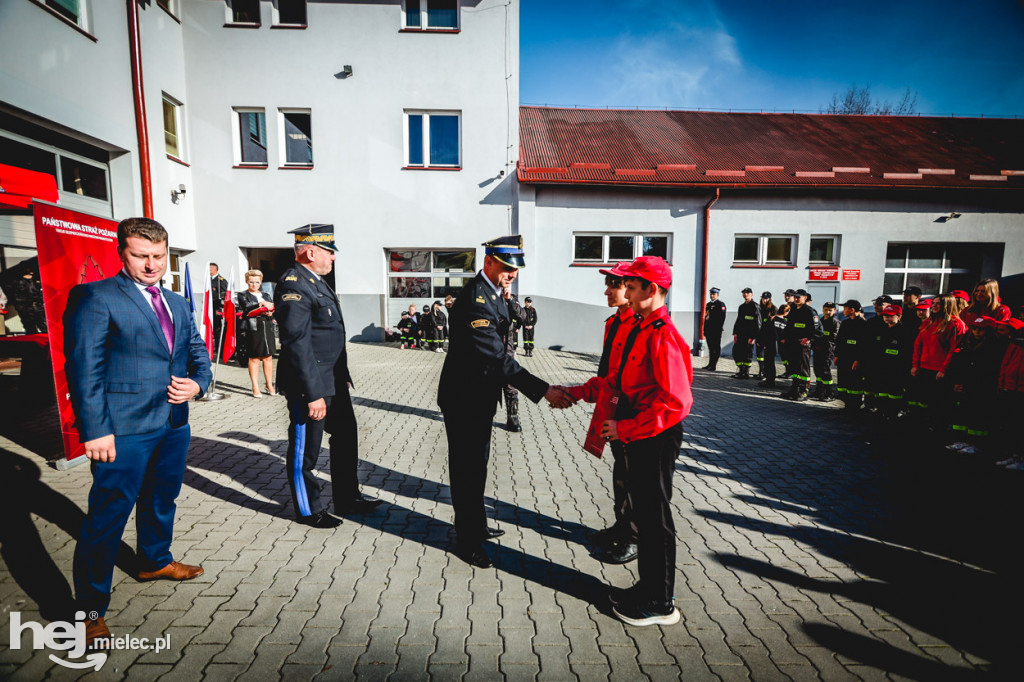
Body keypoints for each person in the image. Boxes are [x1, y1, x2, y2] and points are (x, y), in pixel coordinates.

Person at [63, 217, 212, 648]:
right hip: (121, 430)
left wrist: (198, 384)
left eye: (159, 256)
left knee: (162, 498)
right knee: (107, 517)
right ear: (121, 253)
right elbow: (83, 368)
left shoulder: (177, 302)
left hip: (172, 424)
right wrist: (95, 430)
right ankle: (90, 611)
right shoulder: (96, 296)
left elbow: (197, 354)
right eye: (141, 256)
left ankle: (154, 561)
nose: (151, 265)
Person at [437, 235, 570, 568]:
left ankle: (476, 525)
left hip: (480, 395)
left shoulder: (494, 294)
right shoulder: (475, 300)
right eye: (507, 268)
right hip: (464, 397)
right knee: (466, 469)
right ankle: (467, 540)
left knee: (477, 465)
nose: (512, 274)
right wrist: (543, 390)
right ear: (489, 261)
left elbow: (511, 327)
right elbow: (498, 358)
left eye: (515, 270)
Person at [590, 256, 693, 627]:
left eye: (631, 287)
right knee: (647, 517)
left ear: (652, 290)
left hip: (656, 435)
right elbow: (616, 380)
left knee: (655, 518)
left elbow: (677, 402)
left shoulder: (663, 334)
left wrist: (626, 429)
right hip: (641, 431)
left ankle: (660, 603)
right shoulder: (641, 328)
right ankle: (647, 588)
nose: (625, 293)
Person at [275, 224, 380, 529]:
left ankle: (348, 497)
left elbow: (329, 334)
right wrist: (313, 393)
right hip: (311, 385)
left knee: (346, 437)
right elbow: (297, 343)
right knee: (305, 448)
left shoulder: (316, 281)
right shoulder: (295, 284)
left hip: (333, 381)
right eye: (329, 252)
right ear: (310, 251)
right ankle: (308, 509)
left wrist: (341, 375)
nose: (333, 258)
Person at [561, 262, 641, 564]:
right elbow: (606, 370)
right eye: (608, 285)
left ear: (631, 289)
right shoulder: (614, 322)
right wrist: (587, 394)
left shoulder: (639, 325)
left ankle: (634, 537)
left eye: (614, 285)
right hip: (614, 406)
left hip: (633, 412)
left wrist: (579, 392)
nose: (607, 291)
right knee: (621, 473)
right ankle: (621, 527)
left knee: (633, 477)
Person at [945, 315, 1008, 454]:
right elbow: (960, 364)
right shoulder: (967, 344)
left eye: (981, 330)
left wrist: (969, 385)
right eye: (975, 329)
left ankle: (976, 443)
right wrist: (957, 382)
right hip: (964, 385)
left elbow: (987, 371)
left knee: (978, 416)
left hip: (981, 388)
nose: (977, 332)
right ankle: (962, 440)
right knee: (963, 414)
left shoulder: (994, 347)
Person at [909, 294, 965, 421]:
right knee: (924, 403)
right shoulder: (928, 322)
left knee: (938, 405)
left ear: (947, 305)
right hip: (924, 368)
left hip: (940, 372)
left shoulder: (955, 324)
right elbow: (918, 345)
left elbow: (954, 350)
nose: (934, 305)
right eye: (933, 303)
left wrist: (943, 370)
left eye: (938, 303)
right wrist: (915, 365)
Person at [864, 304, 912, 418]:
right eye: (885, 315)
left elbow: (907, 353)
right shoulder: (882, 329)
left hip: (897, 368)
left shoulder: (904, 332)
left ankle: (893, 412)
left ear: (899, 316)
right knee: (881, 390)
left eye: (890, 316)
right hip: (882, 367)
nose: (887, 318)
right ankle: (882, 410)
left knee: (894, 392)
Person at [237, 269, 277, 398]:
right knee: (254, 358)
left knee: (268, 357)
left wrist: (270, 312)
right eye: (251, 282)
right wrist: (261, 304)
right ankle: (255, 386)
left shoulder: (266, 294)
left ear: (261, 282)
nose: (254, 285)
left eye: (257, 282)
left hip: (267, 326)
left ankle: (269, 384)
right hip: (253, 328)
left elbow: (272, 308)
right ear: (247, 282)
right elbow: (247, 308)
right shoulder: (243, 295)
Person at [780, 289, 819, 401]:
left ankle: (803, 391)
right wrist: (784, 337)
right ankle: (794, 389)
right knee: (794, 368)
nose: (796, 299)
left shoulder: (810, 311)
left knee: (803, 369)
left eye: (799, 297)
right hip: (792, 344)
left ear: (805, 298)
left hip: (803, 346)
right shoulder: (793, 310)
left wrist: (808, 338)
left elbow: (817, 329)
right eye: (795, 297)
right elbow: (789, 326)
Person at [834, 300, 868, 412]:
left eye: (845, 308)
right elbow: (839, 341)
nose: (843, 311)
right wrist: (837, 355)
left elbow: (864, 345)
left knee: (854, 384)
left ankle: (854, 406)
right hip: (844, 359)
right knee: (843, 382)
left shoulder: (863, 325)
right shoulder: (845, 323)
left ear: (852, 310)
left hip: (855, 360)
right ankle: (847, 404)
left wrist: (859, 360)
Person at [811, 302, 840, 401]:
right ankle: (819, 391)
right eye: (826, 309)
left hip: (828, 351)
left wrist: (823, 346)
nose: (827, 312)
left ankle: (829, 393)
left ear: (835, 311)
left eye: (830, 310)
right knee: (817, 370)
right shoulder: (820, 321)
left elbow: (834, 339)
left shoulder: (835, 323)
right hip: (817, 349)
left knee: (825, 371)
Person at [732, 287, 760, 379]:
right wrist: (735, 333)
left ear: (752, 294)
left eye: (748, 293)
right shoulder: (742, 306)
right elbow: (738, 320)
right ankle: (741, 370)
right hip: (740, 334)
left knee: (747, 354)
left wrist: (753, 336)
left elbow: (758, 323)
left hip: (749, 335)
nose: (745, 294)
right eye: (744, 293)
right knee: (737, 352)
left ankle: (746, 372)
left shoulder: (755, 306)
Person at [758, 303, 788, 388]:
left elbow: (764, 331)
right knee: (771, 363)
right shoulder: (785, 322)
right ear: (786, 313)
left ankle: (770, 381)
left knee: (769, 363)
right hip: (779, 345)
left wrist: (760, 341)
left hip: (770, 344)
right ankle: (771, 380)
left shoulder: (772, 319)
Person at [703, 287, 726, 371]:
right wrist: (705, 330)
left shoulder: (721, 304)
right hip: (709, 330)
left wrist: (718, 328)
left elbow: (722, 318)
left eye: (714, 294)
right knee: (710, 348)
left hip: (716, 330)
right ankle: (710, 363)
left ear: (717, 295)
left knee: (715, 348)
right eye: (711, 294)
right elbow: (706, 318)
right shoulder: (708, 304)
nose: (712, 295)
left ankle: (714, 365)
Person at [755, 292, 777, 378]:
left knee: (767, 356)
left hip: (768, 336)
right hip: (759, 334)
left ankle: (766, 374)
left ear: (769, 299)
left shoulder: (773, 309)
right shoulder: (759, 308)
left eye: (766, 298)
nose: (764, 300)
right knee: (759, 355)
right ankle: (761, 371)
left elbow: (772, 325)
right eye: (763, 298)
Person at [209, 263, 228, 358]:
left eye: (210, 268)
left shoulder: (221, 281)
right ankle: (216, 348)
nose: (208, 270)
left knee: (219, 329)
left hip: (218, 308)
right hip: (211, 308)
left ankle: (221, 350)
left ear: (214, 269)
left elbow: (225, 294)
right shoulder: (209, 280)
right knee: (213, 329)